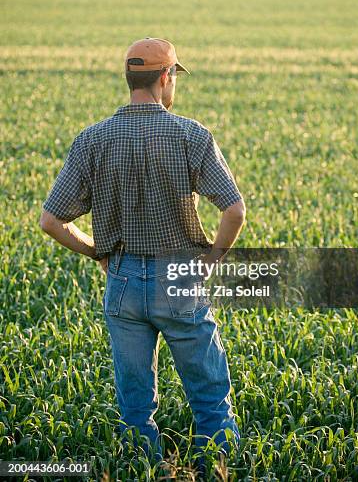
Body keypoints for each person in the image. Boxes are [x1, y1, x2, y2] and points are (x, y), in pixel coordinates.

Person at [39, 37, 246, 472]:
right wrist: (210, 261)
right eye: (175, 76)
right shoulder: (191, 134)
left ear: (130, 78)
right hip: (180, 279)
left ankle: (141, 470)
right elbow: (233, 209)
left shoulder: (92, 139)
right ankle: (217, 469)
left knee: (135, 405)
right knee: (209, 396)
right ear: (165, 78)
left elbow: (51, 221)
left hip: (123, 283)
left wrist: (97, 251)